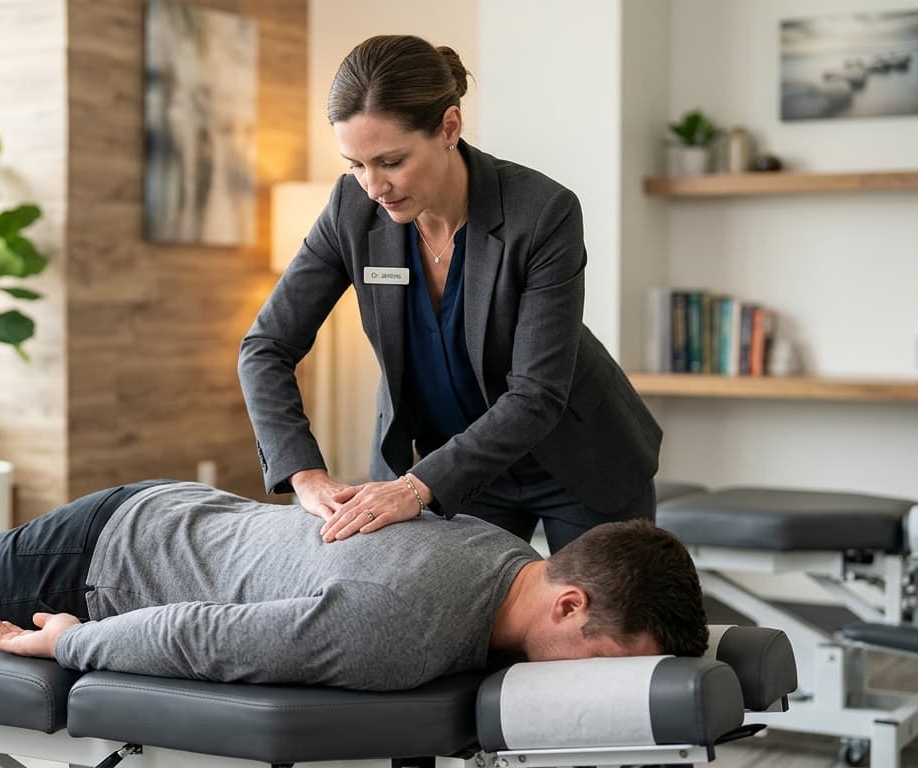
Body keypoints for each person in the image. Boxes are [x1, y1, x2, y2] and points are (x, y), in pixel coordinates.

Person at [0, 480, 707, 692]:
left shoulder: (494, 548)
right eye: (603, 667)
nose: (592, 687)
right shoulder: (401, 632)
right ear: (568, 603)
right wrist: (64, 643)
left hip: (165, 516)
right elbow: (207, 636)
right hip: (109, 562)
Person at [239, 35, 661, 552]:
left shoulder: (542, 213)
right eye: (355, 164)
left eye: (391, 161)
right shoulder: (352, 210)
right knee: (459, 630)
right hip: (456, 475)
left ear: (449, 128)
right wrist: (305, 474)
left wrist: (413, 488)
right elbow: (266, 348)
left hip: (578, 461)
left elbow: (535, 395)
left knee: (595, 625)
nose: (373, 186)